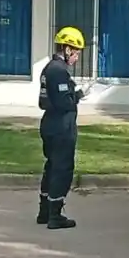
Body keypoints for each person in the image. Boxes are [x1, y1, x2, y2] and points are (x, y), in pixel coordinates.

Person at [37, 26, 85, 231]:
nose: (77, 58)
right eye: (76, 53)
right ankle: (55, 214)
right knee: (62, 169)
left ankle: (45, 211)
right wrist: (78, 95)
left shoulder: (50, 68)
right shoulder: (58, 71)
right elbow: (64, 102)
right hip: (60, 127)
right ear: (67, 49)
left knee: (52, 167)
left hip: (51, 124)